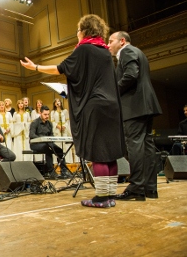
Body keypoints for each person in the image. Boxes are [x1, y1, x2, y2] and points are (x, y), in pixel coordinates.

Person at [21, 14, 126, 208]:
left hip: (95, 107)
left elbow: (60, 69)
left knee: (98, 152)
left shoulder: (84, 49)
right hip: (112, 107)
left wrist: (35, 67)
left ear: (84, 31)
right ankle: (110, 195)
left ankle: (102, 198)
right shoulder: (105, 52)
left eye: (78, 30)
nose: (77, 34)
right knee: (110, 152)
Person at [109, 31, 162, 201]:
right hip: (145, 105)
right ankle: (150, 188)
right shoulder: (140, 52)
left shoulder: (127, 51)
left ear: (122, 41)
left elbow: (131, 75)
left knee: (135, 146)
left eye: (111, 41)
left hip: (134, 106)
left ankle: (136, 187)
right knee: (147, 147)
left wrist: (113, 92)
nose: (108, 45)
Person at [29, 105, 69, 179]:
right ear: (40, 113)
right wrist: (42, 139)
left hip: (48, 143)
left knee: (59, 150)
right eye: (45, 114)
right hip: (36, 144)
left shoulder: (49, 123)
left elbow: (51, 135)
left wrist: (50, 139)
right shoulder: (35, 123)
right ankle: (51, 172)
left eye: (48, 114)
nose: (47, 116)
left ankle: (64, 170)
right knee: (48, 149)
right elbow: (32, 135)